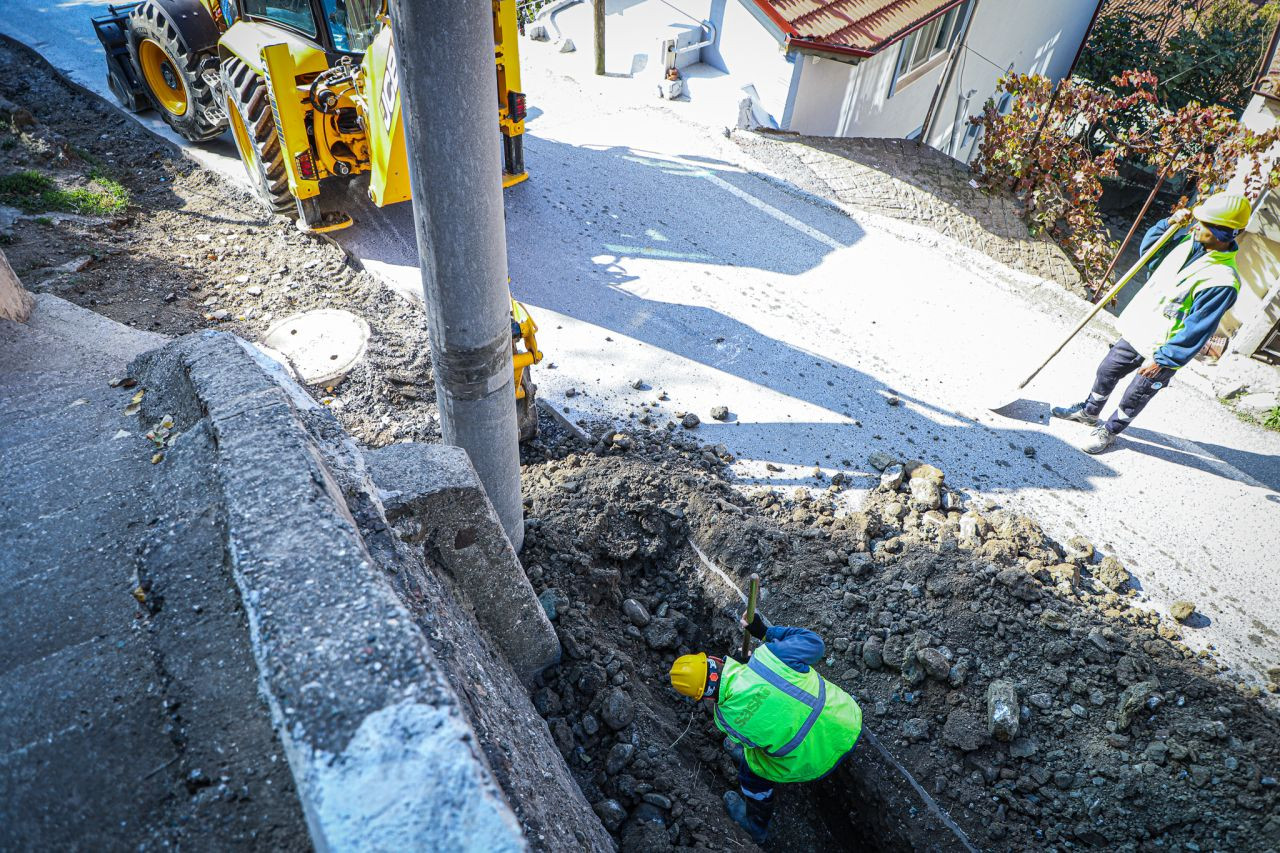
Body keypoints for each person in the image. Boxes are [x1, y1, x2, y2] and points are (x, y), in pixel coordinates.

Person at [1051, 192, 1251, 453]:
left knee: (1137, 394)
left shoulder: (1222, 280)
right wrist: (1168, 225)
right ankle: (1089, 412)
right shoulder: (1184, 242)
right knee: (1107, 370)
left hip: (1164, 347)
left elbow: (1198, 329)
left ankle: (1110, 431)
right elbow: (1150, 253)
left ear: (1224, 234)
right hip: (1141, 330)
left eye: (1203, 223)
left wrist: (1164, 360)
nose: (1196, 225)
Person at [668, 615, 862, 843]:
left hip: (812, 762)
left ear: (703, 696)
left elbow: (753, 741)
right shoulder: (769, 655)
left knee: (750, 770)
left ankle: (756, 826)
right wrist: (766, 634)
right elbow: (815, 645)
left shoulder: (725, 718)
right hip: (846, 722)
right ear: (714, 660)